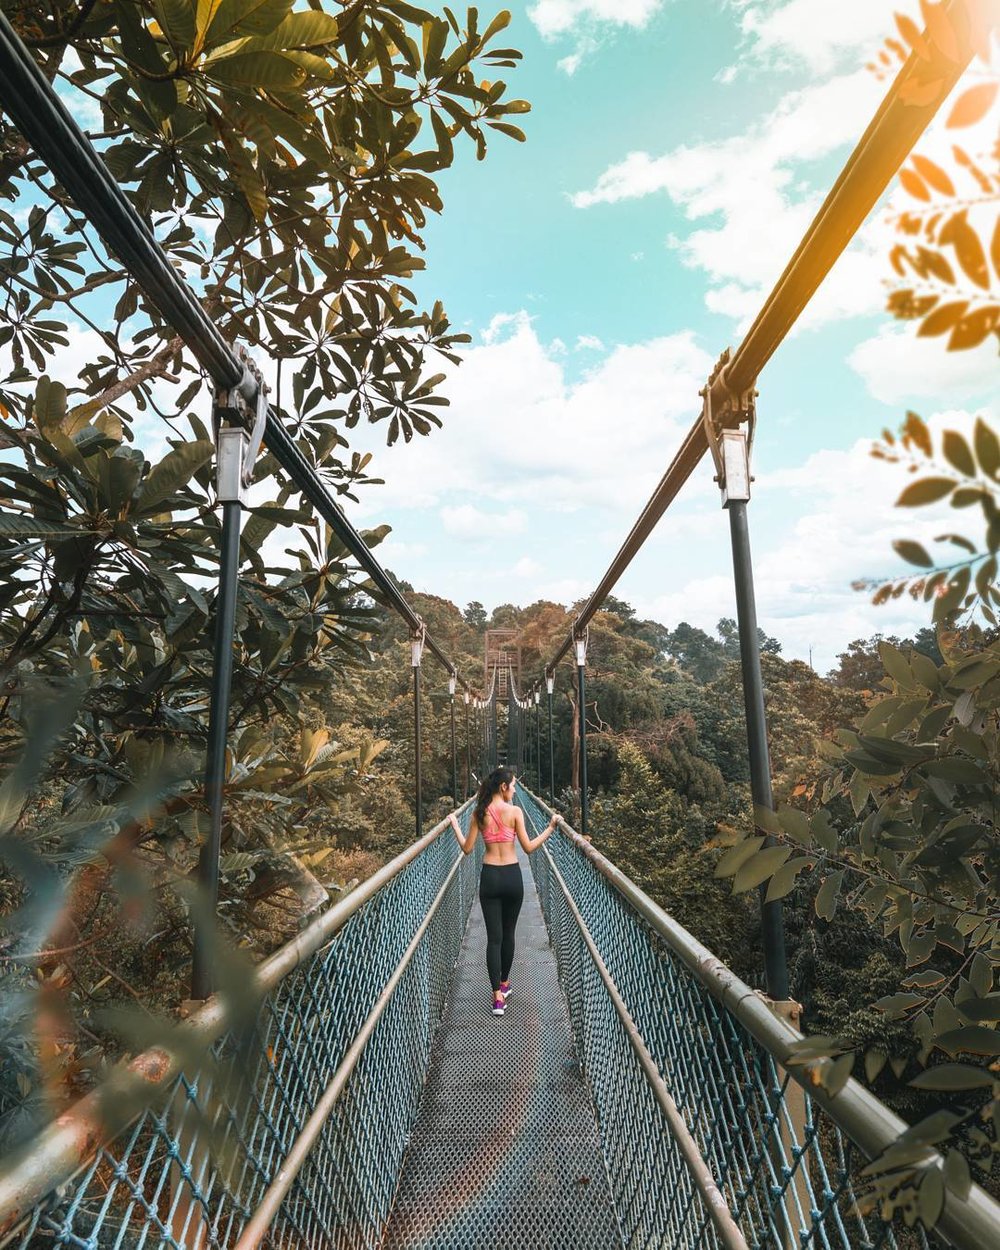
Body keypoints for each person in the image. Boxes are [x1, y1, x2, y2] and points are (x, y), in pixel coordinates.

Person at [450, 766, 559, 1016]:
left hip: (490, 878)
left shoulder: (478, 813)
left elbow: (467, 849)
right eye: (513, 786)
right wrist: (551, 827)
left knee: (494, 939)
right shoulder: (515, 812)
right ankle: (505, 983)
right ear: (503, 787)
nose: (514, 790)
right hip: (512, 877)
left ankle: (497, 998)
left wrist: (455, 825)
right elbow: (529, 848)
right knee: (509, 934)